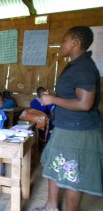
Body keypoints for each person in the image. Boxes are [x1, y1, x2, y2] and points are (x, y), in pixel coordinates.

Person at [34, 26, 103, 211]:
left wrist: (53, 99)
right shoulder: (75, 65)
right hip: (68, 127)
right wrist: (55, 95)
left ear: (75, 43)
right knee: (53, 166)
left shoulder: (83, 67)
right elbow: (73, 95)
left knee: (73, 174)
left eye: (64, 40)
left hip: (78, 131)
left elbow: (85, 103)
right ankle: (51, 206)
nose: (61, 44)